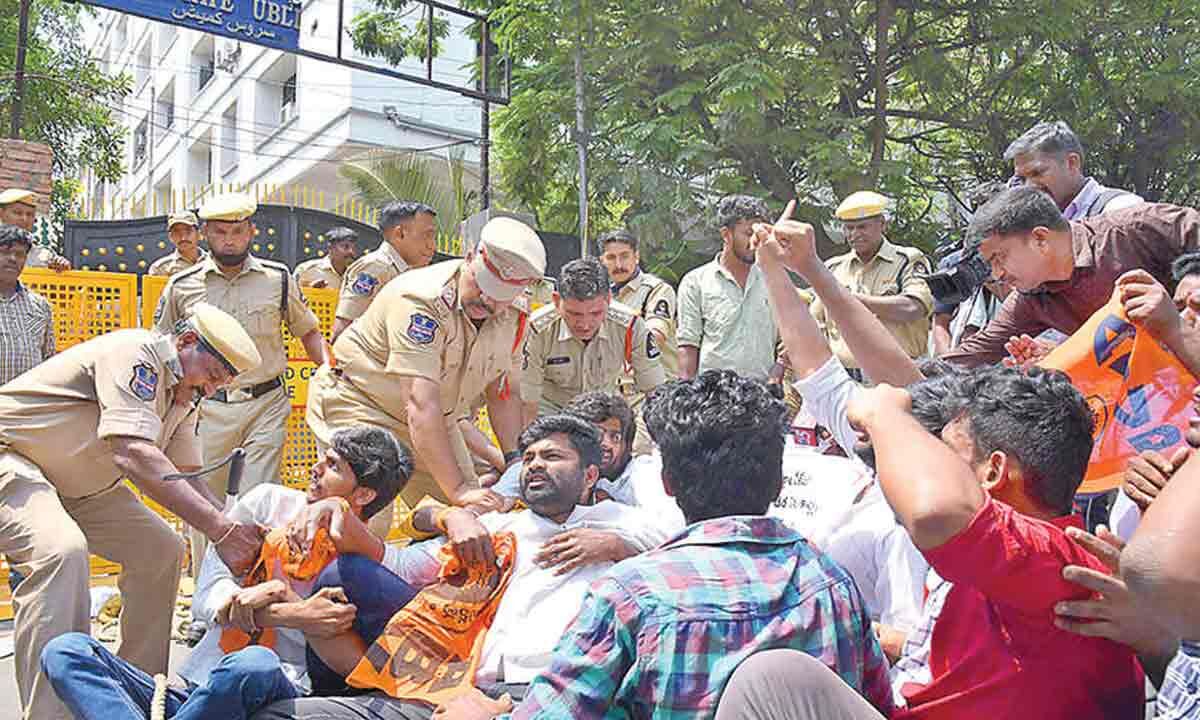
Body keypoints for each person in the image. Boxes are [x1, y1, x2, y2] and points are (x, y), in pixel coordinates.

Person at [751, 208, 1146, 718]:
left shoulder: (1055, 561)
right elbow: (853, 378)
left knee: (769, 680)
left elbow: (935, 508)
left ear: (994, 472)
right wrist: (794, 270)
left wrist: (884, 413)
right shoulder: (995, 540)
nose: (919, 456)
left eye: (942, 452)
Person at [433, 371, 893, 719]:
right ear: (778, 482)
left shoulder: (632, 594)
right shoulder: (831, 582)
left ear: (668, 484)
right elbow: (873, 705)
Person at [251, 414, 665, 719]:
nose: (535, 464)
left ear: (590, 475)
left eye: (552, 456)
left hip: (555, 696)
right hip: (461, 689)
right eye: (529, 458)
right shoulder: (497, 529)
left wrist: (619, 546)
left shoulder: (630, 525)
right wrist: (447, 515)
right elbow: (397, 563)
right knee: (279, 716)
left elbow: (685, 555)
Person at [0, 302, 265, 720]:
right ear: (187, 341)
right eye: (213, 375)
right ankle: (53, 713)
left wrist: (233, 525)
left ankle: (136, 692)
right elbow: (132, 452)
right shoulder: (135, 353)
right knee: (61, 552)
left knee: (162, 549)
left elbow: (183, 474)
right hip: (13, 456)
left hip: (81, 484)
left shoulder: (185, 393)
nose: (213, 389)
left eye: (222, 383)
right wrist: (222, 532)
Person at [40, 426, 410, 719]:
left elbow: (343, 658)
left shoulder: (363, 569)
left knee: (254, 664)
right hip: (198, 687)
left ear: (362, 495)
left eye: (333, 466)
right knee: (66, 651)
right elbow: (206, 600)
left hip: (274, 690)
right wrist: (289, 612)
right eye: (322, 458)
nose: (315, 468)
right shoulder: (267, 502)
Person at [306, 216, 545, 510]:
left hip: (436, 418)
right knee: (362, 511)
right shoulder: (421, 300)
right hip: (361, 402)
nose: (487, 300)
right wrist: (458, 489)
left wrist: (513, 459)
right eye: (482, 285)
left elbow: (502, 393)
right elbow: (420, 403)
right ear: (470, 257)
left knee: (474, 513)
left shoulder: (515, 316)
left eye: (500, 295)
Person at [154, 192, 328, 592]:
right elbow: (162, 343)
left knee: (256, 498)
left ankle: (252, 591)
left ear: (251, 232)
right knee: (205, 505)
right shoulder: (181, 286)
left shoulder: (277, 279)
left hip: (265, 404)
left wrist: (329, 370)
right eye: (220, 232)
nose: (229, 240)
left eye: (237, 231)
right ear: (205, 233)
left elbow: (308, 330)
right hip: (206, 409)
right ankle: (209, 594)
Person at [943, 185, 1200, 366]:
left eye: (999, 258)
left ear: (1040, 239)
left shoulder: (1137, 229)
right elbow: (970, 356)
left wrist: (1187, 296)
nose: (997, 274)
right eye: (991, 264)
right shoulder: (1030, 299)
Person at [521, 256, 665, 428]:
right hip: (552, 413)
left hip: (603, 414)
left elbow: (655, 391)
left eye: (595, 313)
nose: (585, 324)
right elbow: (527, 403)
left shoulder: (630, 326)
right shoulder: (537, 330)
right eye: (575, 314)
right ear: (557, 301)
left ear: (608, 299)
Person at [812, 191, 934, 379]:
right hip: (845, 378)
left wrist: (849, 300)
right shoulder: (833, 268)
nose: (854, 234)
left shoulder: (907, 260)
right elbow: (815, 322)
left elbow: (912, 308)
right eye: (849, 228)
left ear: (882, 224)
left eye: (862, 227)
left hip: (898, 377)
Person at [677, 195, 778, 380]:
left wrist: (778, 371)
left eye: (761, 233)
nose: (756, 241)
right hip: (714, 394)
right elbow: (688, 346)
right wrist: (686, 392)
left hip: (762, 392)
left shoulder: (774, 280)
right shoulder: (696, 282)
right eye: (749, 233)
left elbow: (790, 337)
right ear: (726, 235)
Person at [332, 201, 438, 341]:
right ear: (400, 233)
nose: (433, 246)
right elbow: (342, 331)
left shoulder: (409, 271)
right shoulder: (375, 268)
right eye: (427, 235)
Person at [1005, 120, 1143, 220]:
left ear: (1072, 163)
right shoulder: (1037, 221)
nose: (1028, 186)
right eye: (1022, 179)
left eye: (1037, 173)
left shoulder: (1120, 211)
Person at [0, 224, 55, 385]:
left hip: (28, 398)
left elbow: (48, 360)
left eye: (19, 254)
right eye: (5, 252)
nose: (13, 259)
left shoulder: (40, 306)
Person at [0, 188, 70, 271]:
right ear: (1, 213)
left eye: (30, 214)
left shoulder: (44, 256)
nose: (24, 219)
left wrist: (61, 267)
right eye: (18, 213)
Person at [294, 227, 359, 289]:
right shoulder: (306, 270)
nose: (351, 252)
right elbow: (292, 294)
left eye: (354, 248)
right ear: (330, 248)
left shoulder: (356, 275)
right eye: (346, 247)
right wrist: (311, 290)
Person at [148, 210, 208, 276]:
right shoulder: (161, 269)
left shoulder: (213, 262)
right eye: (176, 232)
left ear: (199, 234)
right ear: (170, 237)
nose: (183, 238)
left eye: (188, 231)